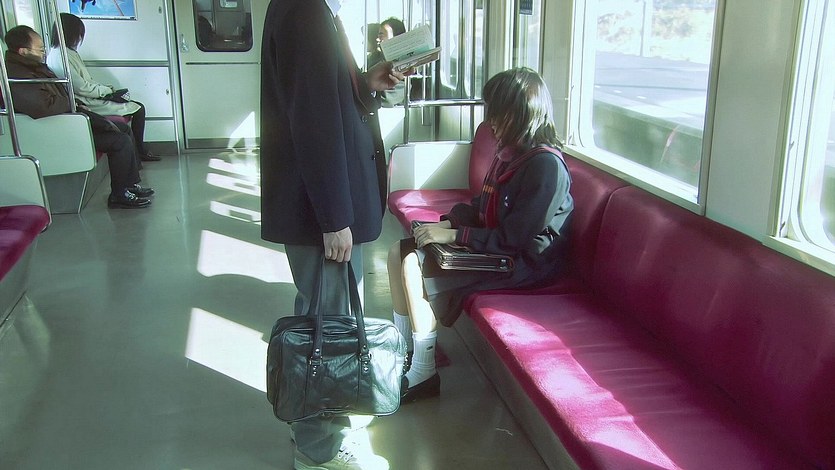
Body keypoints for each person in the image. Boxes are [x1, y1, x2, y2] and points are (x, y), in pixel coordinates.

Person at [260, 1, 405, 469]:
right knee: (327, 325)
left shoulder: (314, 10)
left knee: (325, 316)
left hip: (324, 202)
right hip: (320, 208)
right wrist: (334, 217)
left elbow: (328, 97)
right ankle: (319, 449)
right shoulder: (306, 12)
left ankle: (320, 423)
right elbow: (314, 120)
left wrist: (365, 83)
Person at [388, 67, 574, 402]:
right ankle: (403, 350)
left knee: (414, 265)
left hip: (524, 264)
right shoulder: (511, 154)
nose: (491, 123)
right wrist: (447, 224)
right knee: (397, 252)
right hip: (500, 248)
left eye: (497, 114)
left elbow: (514, 238)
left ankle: (423, 372)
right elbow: (484, 206)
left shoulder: (545, 167)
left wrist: (457, 237)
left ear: (519, 114)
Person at [4, 25, 154, 209]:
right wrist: (72, 103)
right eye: (40, 49)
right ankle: (119, 194)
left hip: (65, 121)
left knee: (123, 129)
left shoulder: (33, 68)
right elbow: (43, 106)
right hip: (57, 128)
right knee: (119, 141)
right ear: (23, 51)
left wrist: (74, 103)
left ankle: (128, 185)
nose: (43, 53)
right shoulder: (19, 76)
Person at [47, 13, 160, 162]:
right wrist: (106, 92)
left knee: (136, 106)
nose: (79, 38)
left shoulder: (66, 53)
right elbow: (80, 87)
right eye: (78, 34)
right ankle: (140, 151)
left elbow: (86, 81)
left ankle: (139, 151)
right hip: (85, 102)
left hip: (90, 97)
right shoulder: (61, 56)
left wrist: (107, 90)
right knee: (139, 108)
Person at [367, 17, 406, 107]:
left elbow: (390, 100)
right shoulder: (372, 58)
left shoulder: (404, 62)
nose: (377, 39)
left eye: (381, 35)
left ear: (396, 38)